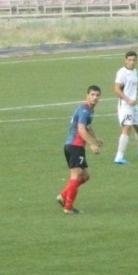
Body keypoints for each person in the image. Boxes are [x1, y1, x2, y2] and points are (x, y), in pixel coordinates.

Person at [56, 85, 103, 215]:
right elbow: (81, 129)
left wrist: (96, 137)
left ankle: (63, 196)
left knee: (85, 176)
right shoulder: (84, 110)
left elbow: (87, 127)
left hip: (75, 146)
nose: (95, 97)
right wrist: (92, 144)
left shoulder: (89, 110)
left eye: (97, 95)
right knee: (76, 175)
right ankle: (68, 207)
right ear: (87, 95)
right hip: (74, 146)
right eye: (92, 95)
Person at [112, 50, 138, 164]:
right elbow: (116, 89)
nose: (132, 62)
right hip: (125, 105)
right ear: (125, 60)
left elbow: (134, 86)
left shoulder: (134, 71)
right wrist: (127, 100)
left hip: (133, 105)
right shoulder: (122, 73)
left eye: (134, 60)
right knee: (127, 128)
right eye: (129, 60)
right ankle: (119, 157)